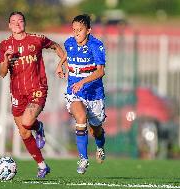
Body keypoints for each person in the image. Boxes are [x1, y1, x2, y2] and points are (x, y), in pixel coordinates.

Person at [0, 11, 65, 178]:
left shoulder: (37, 39)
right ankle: (42, 166)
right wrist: (6, 60)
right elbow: (2, 73)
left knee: (28, 122)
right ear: (9, 25)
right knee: (24, 133)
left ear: (24, 23)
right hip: (17, 93)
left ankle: (38, 126)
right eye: (14, 21)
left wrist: (62, 64)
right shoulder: (5, 45)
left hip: (37, 88)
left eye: (20, 21)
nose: (17, 24)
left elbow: (56, 45)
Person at [56, 14, 106, 174]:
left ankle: (99, 146)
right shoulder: (69, 42)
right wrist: (60, 64)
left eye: (80, 30)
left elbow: (100, 71)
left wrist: (83, 82)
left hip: (94, 94)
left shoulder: (96, 45)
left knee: (96, 130)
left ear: (89, 30)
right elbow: (67, 54)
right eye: (74, 30)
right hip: (75, 93)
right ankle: (83, 158)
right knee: (81, 118)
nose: (76, 33)